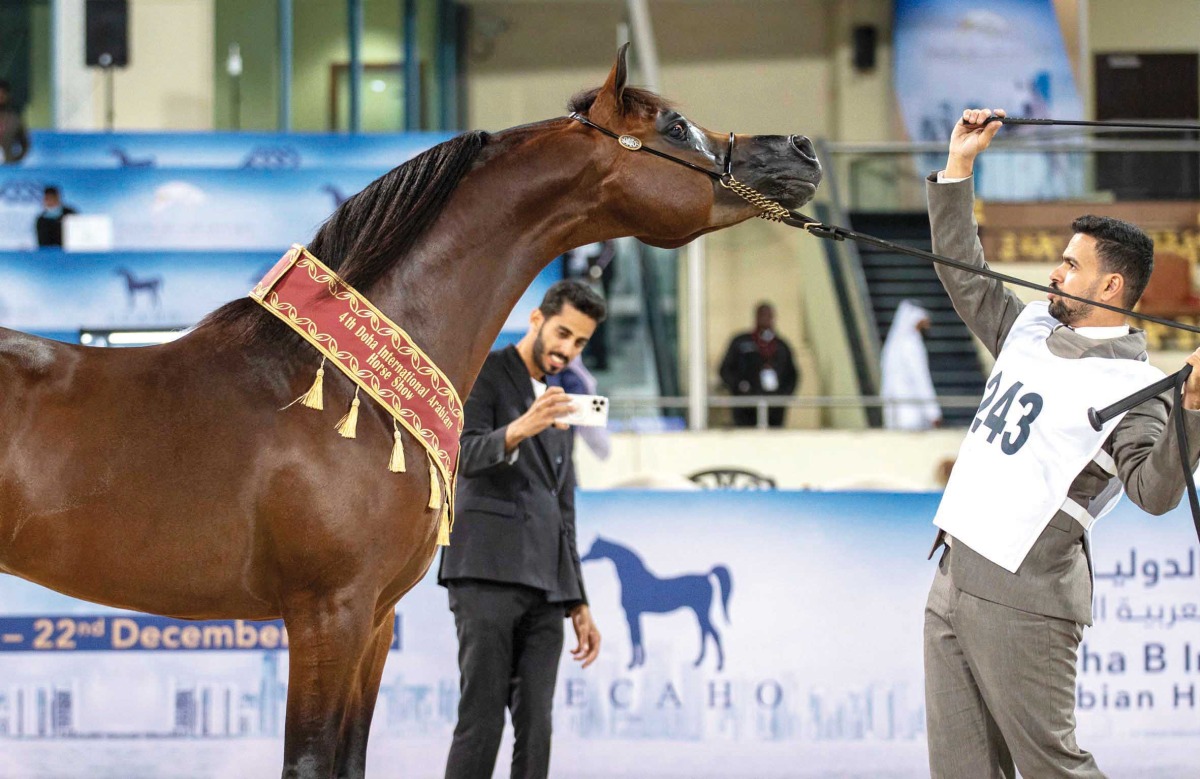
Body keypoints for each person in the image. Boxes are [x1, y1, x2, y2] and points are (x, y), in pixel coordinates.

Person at [923, 107, 1200, 779]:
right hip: (951, 570)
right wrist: (959, 168)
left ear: (1111, 285)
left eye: (1070, 265)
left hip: (1026, 594)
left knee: (1054, 767)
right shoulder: (1024, 328)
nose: (1054, 271)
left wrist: (1192, 406)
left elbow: (1157, 491)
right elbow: (962, 271)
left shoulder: (1142, 385)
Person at [438, 279, 605, 779]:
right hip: (484, 572)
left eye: (580, 343)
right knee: (482, 720)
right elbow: (459, 455)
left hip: (546, 588)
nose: (567, 350)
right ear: (537, 319)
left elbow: (563, 506)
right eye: (562, 334)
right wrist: (520, 428)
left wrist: (578, 600)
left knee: (537, 726)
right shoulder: (483, 373)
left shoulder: (561, 399)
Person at [718, 302, 799, 427]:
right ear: (756, 317)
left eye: (769, 316)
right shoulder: (740, 342)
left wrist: (783, 395)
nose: (765, 319)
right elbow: (725, 370)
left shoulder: (781, 346)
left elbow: (792, 375)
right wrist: (740, 386)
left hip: (774, 408)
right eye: (762, 315)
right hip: (745, 406)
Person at [880, 299, 942, 430]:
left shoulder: (892, 345)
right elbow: (920, 378)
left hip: (894, 414)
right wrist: (933, 412)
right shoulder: (911, 345)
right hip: (913, 414)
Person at [0, 80, 29, 164]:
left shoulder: (14, 119)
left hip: (7, 169)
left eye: (3, 93)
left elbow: (25, 144)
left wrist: (15, 160)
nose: (0, 95)